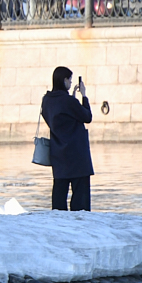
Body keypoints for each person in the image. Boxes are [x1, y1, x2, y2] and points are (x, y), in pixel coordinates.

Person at [41, 66, 93, 211]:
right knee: (80, 197)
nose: (70, 83)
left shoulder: (46, 100)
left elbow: (61, 118)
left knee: (59, 192)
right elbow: (87, 117)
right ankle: (79, 227)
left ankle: (59, 224)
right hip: (77, 153)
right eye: (69, 80)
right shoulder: (68, 101)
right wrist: (84, 96)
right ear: (64, 80)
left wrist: (73, 100)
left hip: (58, 151)